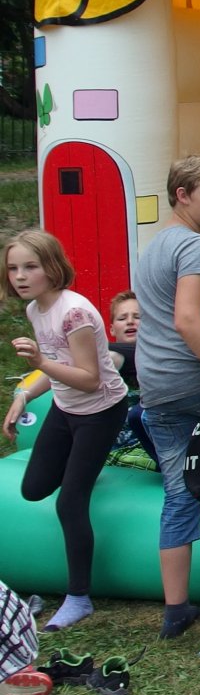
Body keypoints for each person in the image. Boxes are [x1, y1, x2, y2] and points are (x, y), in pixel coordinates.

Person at [2, 230, 130, 632]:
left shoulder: (74, 313)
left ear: (53, 268)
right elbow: (58, 364)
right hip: (65, 406)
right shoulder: (35, 310)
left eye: (30, 267)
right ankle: (85, 466)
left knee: (69, 502)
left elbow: (90, 379)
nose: (20, 276)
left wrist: (40, 361)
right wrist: (24, 394)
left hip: (100, 411)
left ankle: (78, 598)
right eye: (13, 268)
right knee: (33, 488)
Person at [131, 154, 200, 638]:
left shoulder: (154, 246)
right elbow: (188, 319)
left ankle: (176, 608)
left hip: (156, 384)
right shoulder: (195, 245)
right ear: (182, 195)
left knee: (178, 491)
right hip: (195, 382)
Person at [105, 290, 155, 459]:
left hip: (150, 449)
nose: (130, 321)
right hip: (114, 451)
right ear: (112, 329)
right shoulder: (105, 358)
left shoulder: (160, 357)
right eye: (122, 318)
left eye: (137, 317)